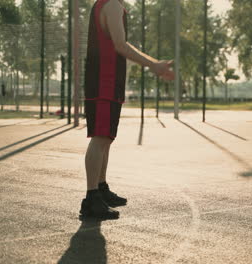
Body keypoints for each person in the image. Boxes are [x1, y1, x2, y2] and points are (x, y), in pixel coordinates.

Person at [81, 0, 174, 219]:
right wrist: (154, 64)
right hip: (104, 80)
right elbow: (120, 45)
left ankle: (100, 188)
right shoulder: (111, 5)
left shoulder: (110, 4)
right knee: (100, 137)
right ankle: (91, 198)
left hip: (109, 80)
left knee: (107, 138)